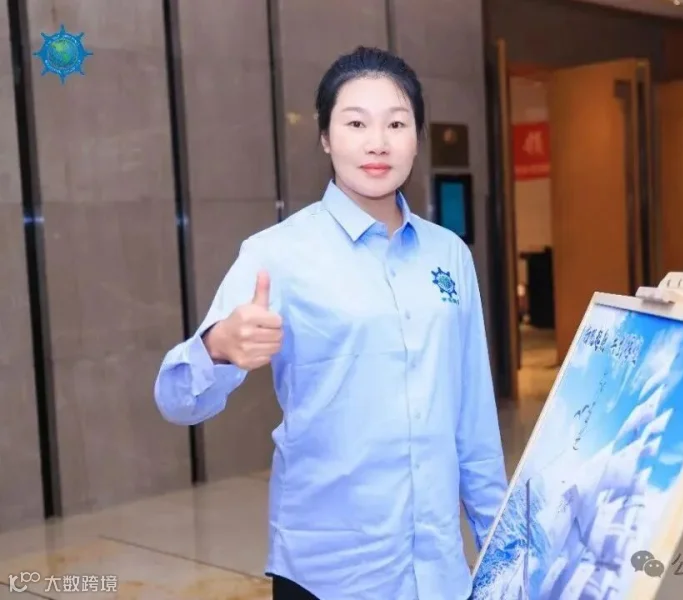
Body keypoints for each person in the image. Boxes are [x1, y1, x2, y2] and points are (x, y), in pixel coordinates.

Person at [153, 46, 508, 600]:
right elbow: (178, 402)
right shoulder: (278, 253)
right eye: (356, 123)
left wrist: (502, 550)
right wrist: (217, 347)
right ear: (325, 136)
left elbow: (474, 419)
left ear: (417, 136)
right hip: (327, 571)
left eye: (396, 123)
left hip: (437, 569)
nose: (378, 142)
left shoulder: (449, 255)